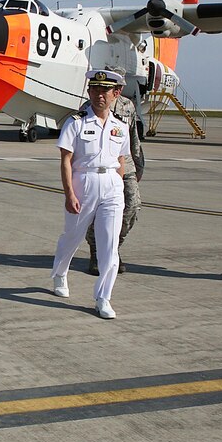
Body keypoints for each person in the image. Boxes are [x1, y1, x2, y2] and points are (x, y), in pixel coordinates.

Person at [50, 70, 131, 320]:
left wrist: (118, 185)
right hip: (83, 181)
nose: (98, 95)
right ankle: (60, 272)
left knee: (109, 244)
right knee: (72, 235)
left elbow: (121, 160)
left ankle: (103, 297)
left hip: (111, 184)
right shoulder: (76, 122)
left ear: (116, 94)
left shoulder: (120, 126)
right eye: (94, 90)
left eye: (104, 91)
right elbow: (66, 160)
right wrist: (69, 193)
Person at [85, 78, 144, 274]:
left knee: (132, 206)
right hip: (103, 166)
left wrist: (138, 161)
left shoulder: (128, 106)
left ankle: (113, 246)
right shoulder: (90, 106)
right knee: (95, 213)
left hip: (125, 165)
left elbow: (133, 135)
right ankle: (96, 251)